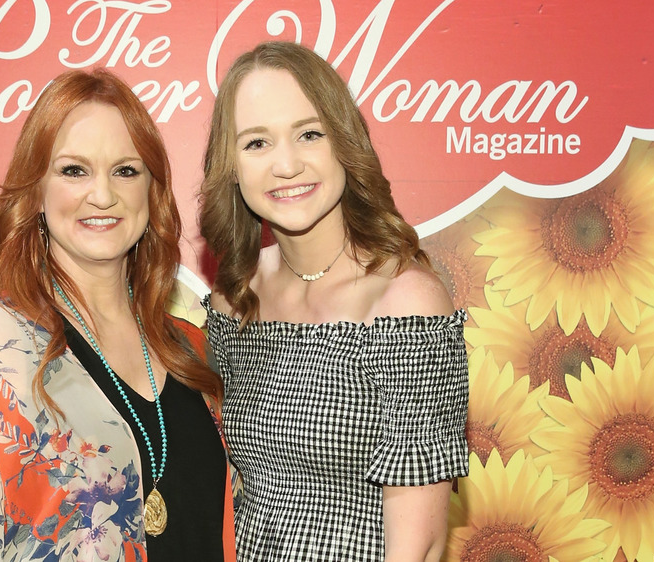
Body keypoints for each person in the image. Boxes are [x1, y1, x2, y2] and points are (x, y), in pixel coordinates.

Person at [0, 69, 236, 561]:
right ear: (37, 192)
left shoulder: (189, 349)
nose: (102, 194)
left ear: (152, 192)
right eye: (74, 170)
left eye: (126, 170)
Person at [199, 41, 468, 561]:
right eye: (256, 143)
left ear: (344, 143)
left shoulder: (405, 303)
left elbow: (421, 545)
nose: (286, 164)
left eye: (309, 134)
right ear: (231, 166)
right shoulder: (236, 300)